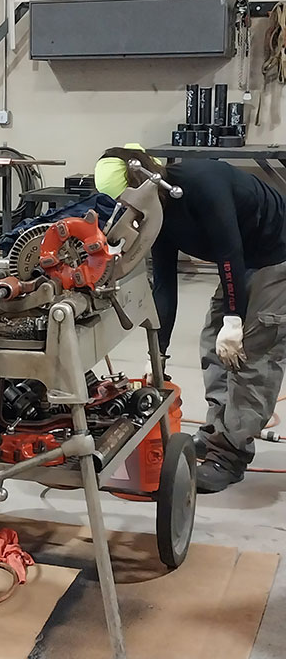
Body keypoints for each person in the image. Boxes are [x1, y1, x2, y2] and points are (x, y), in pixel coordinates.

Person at [95, 145, 286, 493]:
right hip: (242, 258)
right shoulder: (156, 214)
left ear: (140, 186)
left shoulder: (202, 182)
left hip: (275, 254)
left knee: (252, 354)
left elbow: (230, 251)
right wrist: (159, 354)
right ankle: (218, 433)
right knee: (215, 344)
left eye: (125, 203)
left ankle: (231, 455)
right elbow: (165, 284)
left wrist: (234, 320)